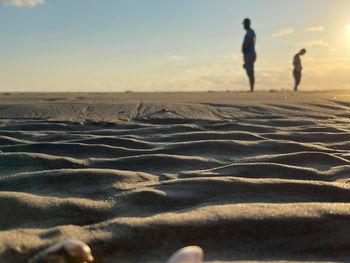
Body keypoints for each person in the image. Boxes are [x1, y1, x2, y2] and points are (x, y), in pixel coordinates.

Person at [242, 18, 257, 92]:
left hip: (250, 54)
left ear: (247, 24)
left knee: (250, 71)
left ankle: (252, 88)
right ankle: (251, 88)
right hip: (248, 54)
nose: (243, 26)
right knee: (248, 70)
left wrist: (245, 47)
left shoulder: (251, 32)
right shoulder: (248, 32)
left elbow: (252, 39)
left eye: (244, 24)